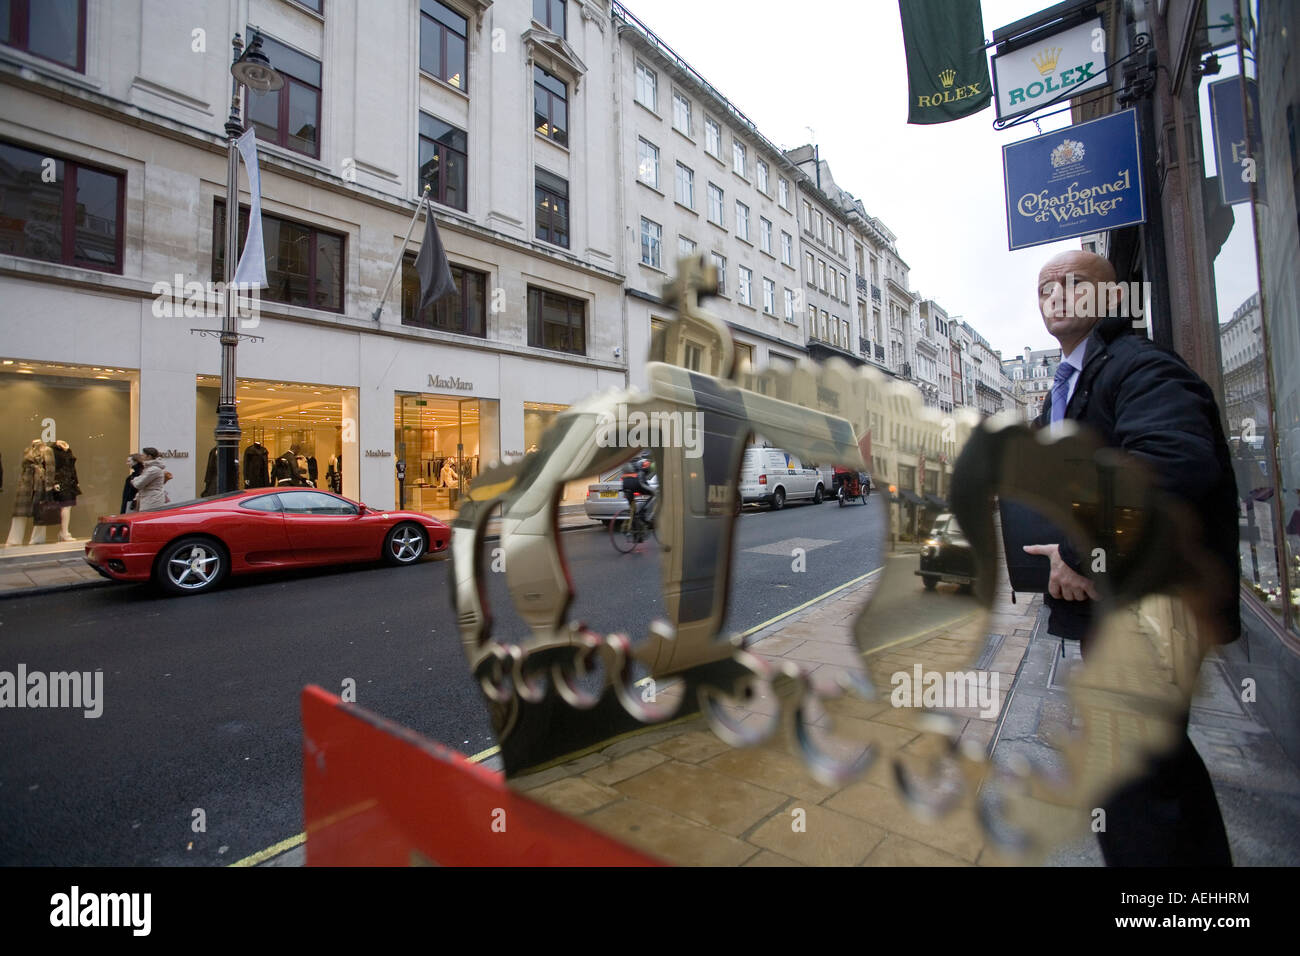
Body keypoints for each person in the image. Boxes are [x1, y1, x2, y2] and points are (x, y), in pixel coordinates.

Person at [1021, 250, 1238, 867]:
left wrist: (1079, 552)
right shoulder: (1072, 382)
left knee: (1133, 789)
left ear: (1111, 298)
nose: (1055, 296)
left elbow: (1172, 464)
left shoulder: (1140, 367)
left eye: (1072, 284)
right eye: (1043, 289)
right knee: (1157, 778)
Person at [620, 455, 656, 535]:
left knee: (633, 508)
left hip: (625, 484)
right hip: (637, 483)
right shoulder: (644, 462)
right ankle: (643, 512)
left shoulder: (628, 463)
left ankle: (633, 527)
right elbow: (642, 479)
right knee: (654, 494)